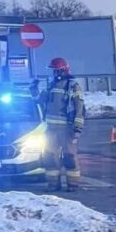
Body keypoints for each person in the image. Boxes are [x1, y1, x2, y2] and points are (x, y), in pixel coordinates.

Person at [39, 57, 85, 191]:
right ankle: (53, 185)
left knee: (69, 158)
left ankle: (73, 185)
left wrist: (77, 129)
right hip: (51, 129)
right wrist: (33, 90)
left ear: (62, 71)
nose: (53, 74)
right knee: (50, 157)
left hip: (67, 129)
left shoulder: (72, 86)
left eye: (55, 71)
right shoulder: (51, 86)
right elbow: (40, 101)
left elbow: (79, 109)